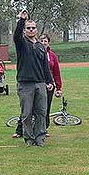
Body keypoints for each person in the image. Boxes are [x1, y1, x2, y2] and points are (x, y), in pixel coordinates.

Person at [13, 10, 54, 146]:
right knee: (26, 114)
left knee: (41, 112)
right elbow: (16, 35)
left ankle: (40, 138)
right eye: (28, 28)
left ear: (36, 30)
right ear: (25, 31)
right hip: (25, 85)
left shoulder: (41, 47)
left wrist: (49, 81)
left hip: (40, 84)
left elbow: (45, 67)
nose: (31, 30)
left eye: (33, 28)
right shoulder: (22, 44)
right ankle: (29, 139)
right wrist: (22, 20)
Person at [11, 34, 62, 139]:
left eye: (45, 41)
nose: (43, 42)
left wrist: (56, 86)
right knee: (27, 110)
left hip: (45, 83)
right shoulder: (30, 49)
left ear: (48, 43)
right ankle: (21, 131)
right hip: (31, 82)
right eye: (42, 40)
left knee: (43, 110)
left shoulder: (51, 55)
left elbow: (54, 71)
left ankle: (43, 131)